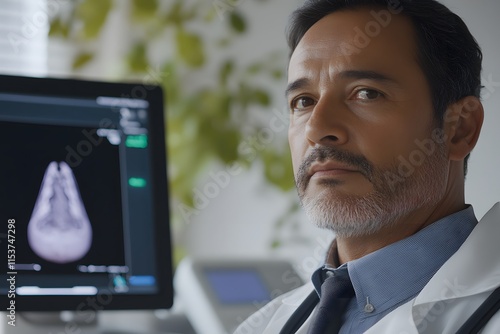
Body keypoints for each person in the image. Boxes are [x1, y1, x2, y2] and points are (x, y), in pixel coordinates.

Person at [234, 0, 500, 333]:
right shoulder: (263, 325)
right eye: (303, 101)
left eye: (366, 94)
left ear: (460, 127)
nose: (317, 129)